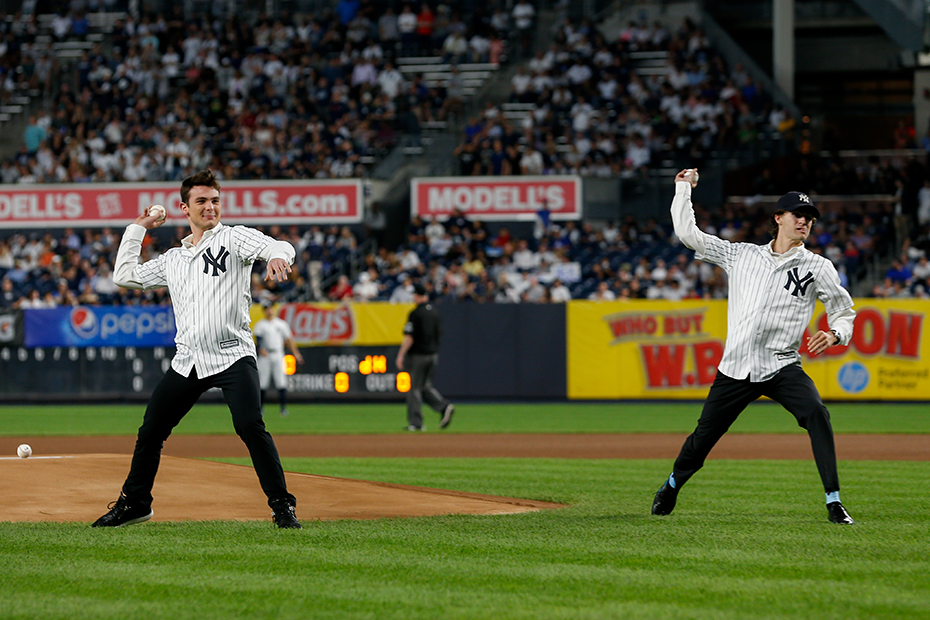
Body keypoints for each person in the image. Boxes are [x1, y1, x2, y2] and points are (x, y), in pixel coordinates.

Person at [93, 169, 302, 529]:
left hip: (232, 354)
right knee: (151, 431)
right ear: (183, 207)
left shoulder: (234, 240)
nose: (210, 207)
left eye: (215, 200)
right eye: (202, 201)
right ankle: (136, 503)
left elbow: (275, 245)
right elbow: (124, 276)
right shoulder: (174, 259)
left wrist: (278, 257)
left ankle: (282, 505)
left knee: (251, 425)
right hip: (188, 359)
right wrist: (138, 227)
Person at [652, 170, 857, 525]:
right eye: (798, 215)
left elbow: (843, 310)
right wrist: (683, 188)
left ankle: (834, 501)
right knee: (702, 440)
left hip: (782, 365)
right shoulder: (741, 255)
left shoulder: (817, 267)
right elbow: (688, 234)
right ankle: (672, 484)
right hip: (736, 367)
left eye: (809, 218)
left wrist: (836, 334)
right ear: (778, 218)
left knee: (817, 414)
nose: (804, 222)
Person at [395, 284, 455, 431]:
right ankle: (444, 406)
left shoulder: (416, 313)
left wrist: (401, 355)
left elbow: (409, 337)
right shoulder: (434, 312)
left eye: (414, 295)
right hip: (433, 355)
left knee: (414, 389)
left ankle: (416, 423)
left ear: (418, 296)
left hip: (418, 356)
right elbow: (439, 334)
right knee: (424, 386)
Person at [253, 302, 304, 417]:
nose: (268, 311)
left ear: (273, 309)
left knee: (281, 381)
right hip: (265, 355)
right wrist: (260, 348)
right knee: (262, 383)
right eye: (266, 309)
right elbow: (258, 340)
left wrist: (296, 354)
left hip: (278, 353)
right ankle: (260, 409)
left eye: (270, 308)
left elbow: (289, 340)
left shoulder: (281, 324)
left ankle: (283, 408)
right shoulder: (260, 325)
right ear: (263, 311)